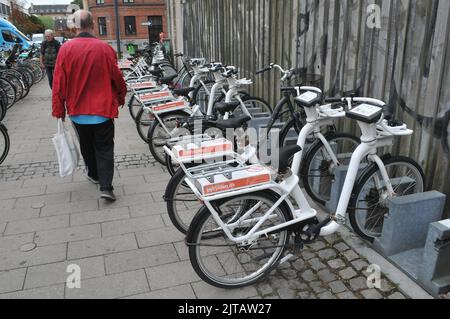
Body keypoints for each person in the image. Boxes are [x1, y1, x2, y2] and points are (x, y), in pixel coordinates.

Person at [52, 10, 127, 202]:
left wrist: (58, 109)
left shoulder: (66, 50)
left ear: (75, 26)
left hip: (78, 110)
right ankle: (106, 187)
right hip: (102, 110)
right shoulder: (105, 49)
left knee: (86, 146)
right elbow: (116, 76)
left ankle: (93, 174)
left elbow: (59, 82)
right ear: (92, 25)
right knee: (104, 148)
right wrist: (121, 95)